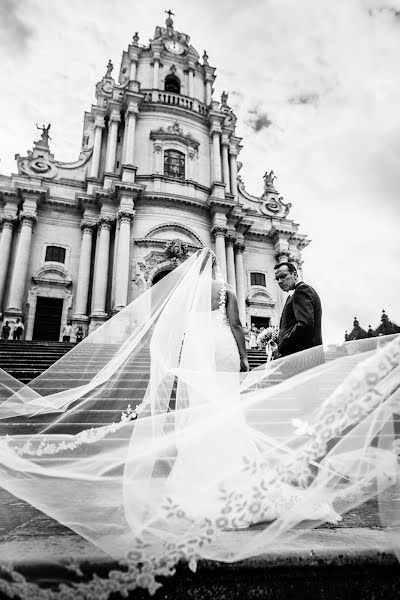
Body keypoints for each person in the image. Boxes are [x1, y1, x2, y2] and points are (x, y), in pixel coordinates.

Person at [0, 248, 399, 598]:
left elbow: (178, 329)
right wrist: (245, 358)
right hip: (224, 352)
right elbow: (238, 327)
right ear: (218, 268)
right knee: (228, 415)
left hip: (199, 354)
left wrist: (177, 362)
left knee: (205, 416)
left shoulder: (188, 294)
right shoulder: (224, 291)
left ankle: (202, 482)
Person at [274, 261, 322, 357]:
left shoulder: (302, 290)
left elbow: (304, 324)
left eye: (283, 276)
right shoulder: (296, 293)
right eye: (277, 278)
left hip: (302, 356)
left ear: (295, 274)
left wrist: (281, 347)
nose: (279, 281)